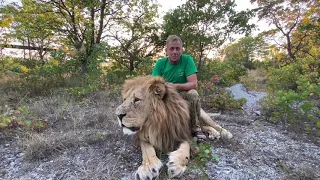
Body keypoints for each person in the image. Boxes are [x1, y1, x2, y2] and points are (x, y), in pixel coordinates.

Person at [152, 35, 206, 142]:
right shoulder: (160, 63)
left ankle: (196, 129)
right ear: (166, 50)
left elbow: (194, 84)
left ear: (182, 50)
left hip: (182, 97)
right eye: (171, 49)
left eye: (177, 48)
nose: (175, 52)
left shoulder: (187, 60)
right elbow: (153, 85)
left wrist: (175, 86)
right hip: (166, 98)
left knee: (193, 93)